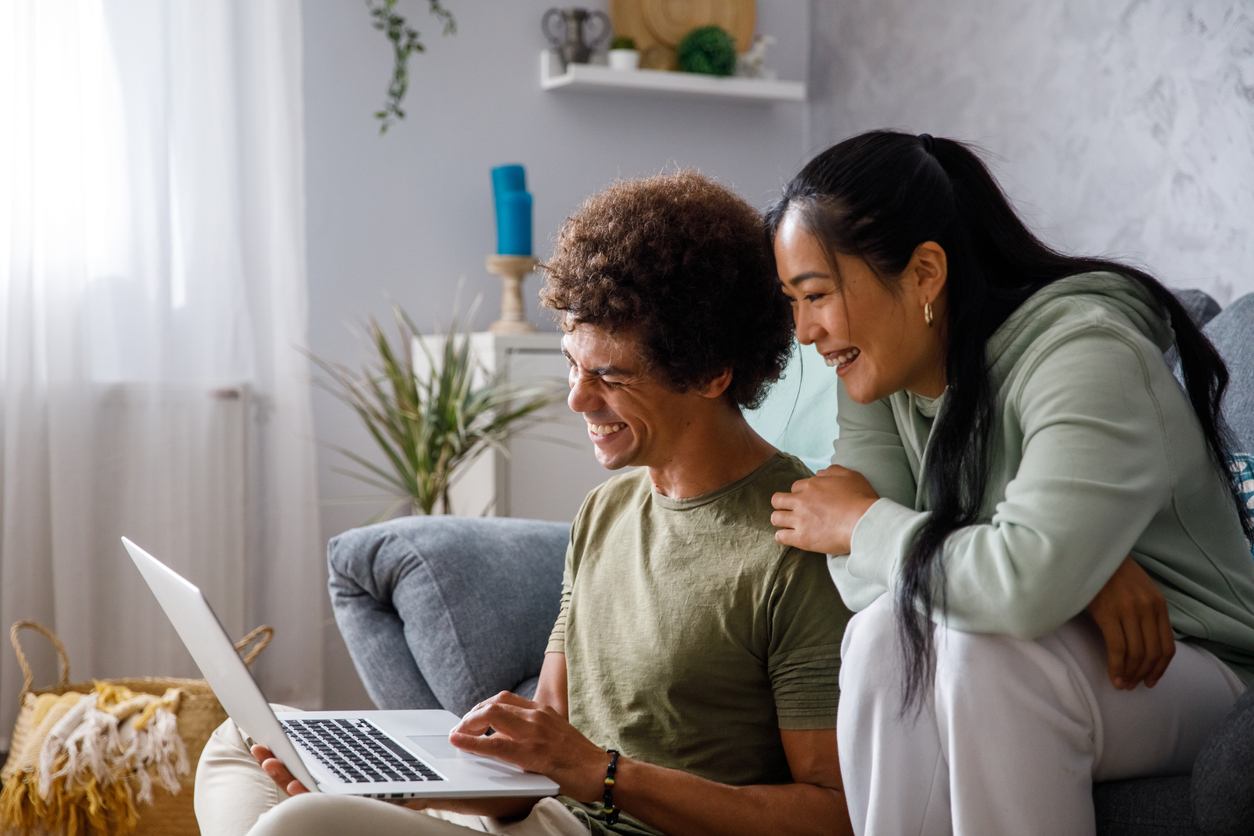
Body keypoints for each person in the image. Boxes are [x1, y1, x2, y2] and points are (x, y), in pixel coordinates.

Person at [194, 171, 856, 836]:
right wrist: (399, 792)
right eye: (573, 363)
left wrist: (603, 775)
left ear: (713, 373)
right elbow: (541, 760)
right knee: (242, 748)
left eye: (611, 376)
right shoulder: (607, 510)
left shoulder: (793, 540)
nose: (578, 399)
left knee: (296, 827)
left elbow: (832, 814)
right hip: (542, 824)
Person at [766, 130, 1254, 836]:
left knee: (989, 655)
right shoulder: (879, 375)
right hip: (1059, 649)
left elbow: (1007, 587)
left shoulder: (1085, 351)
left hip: (1201, 665)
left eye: (815, 295)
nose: (804, 331)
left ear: (926, 273)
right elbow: (870, 584)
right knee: (881, 635)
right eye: (791, 300)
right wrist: (1069, 579)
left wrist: (868, 523)